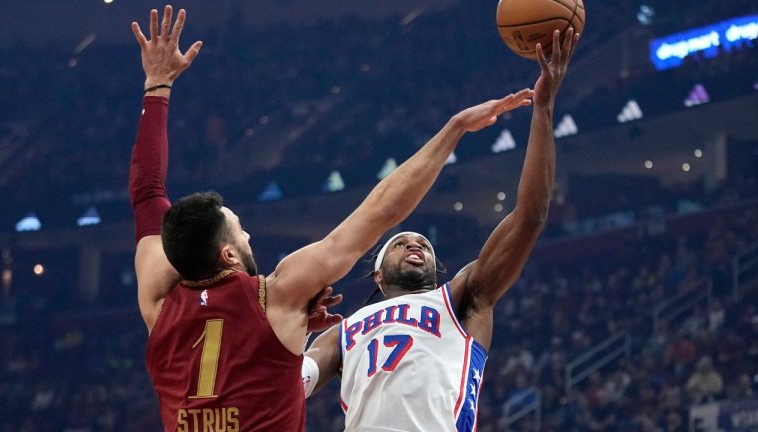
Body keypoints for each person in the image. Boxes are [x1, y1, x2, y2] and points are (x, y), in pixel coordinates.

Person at [128, 5, 534, 432]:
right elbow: (382, 210)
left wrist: (156, 87)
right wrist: (452, 131)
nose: (248, 234)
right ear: (228, 254)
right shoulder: (278, 294)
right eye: (240, 230)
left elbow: (147, 193)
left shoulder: (156, 301)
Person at [304, 28, 579, 431]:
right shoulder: (341, 331)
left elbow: (530, 216)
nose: (415, 243)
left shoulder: (465, 297)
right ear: (378, 275)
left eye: (423, 244)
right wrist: (292, 332)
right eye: (400, 242)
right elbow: (292, 382)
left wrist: (543, 107)